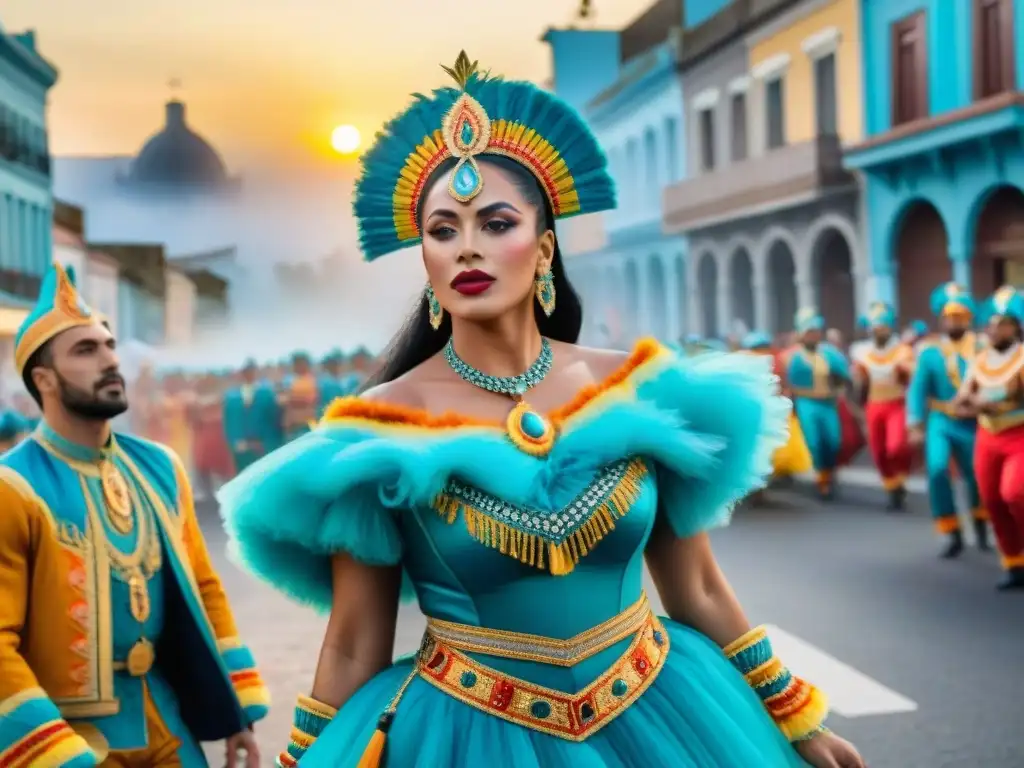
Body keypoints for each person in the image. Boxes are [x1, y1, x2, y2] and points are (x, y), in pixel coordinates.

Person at [220, 52, 864, 768]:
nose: (467, 246)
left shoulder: (637, 388)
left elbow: (701, 588)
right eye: (442, 230)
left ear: (545, 245)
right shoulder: (379, 430)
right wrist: (304, 759)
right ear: (425, 260)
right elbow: (350, 643)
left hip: (664, 711)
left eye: (496, 223)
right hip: (465, 732)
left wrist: (795, 719)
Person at [0, 264, 269, 766]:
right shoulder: (13, 487)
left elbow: (204, 588)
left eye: (109, 345)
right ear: (44, 380)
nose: (109, 360)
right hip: (67, 741)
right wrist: (53, 754)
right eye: (85, 350)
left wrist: (236, 713)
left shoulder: (160, 469)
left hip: (166, 721)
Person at [906, 283, 988, 558]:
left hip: (974, 422)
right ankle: (952, 530)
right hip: (941, 419)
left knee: (976, 475)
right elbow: (918, 389)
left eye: (959, 316)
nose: (953, 321)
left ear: (968, 318)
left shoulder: (982, 349)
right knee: (938, 469)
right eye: (948, 316)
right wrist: (915, 422)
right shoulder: (930, 352)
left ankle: (980, 524)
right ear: (941, 319)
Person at [955, 286, 1024, 591]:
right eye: (992, 323)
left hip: (1018, 435)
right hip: (987, 436)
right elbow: (959, 401)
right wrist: (976, 403)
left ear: (1016, 326)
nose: (995, 329)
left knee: (1015, 494)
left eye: (1003, 323)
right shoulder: (979, 360)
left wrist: (992, 399)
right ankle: (1013, 561)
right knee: (993, 500)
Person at [850, 302, 913, 511]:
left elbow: (911, 378)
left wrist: (905, 371)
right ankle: (892, 488)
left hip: (896, 403)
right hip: (874, 405)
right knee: (877, 451)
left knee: (896, 447)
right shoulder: (862, 352)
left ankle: (901, 478)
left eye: (884, 326)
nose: (879, 330)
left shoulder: (903, 351)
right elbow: (860, 383)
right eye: (876, 326)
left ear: (891, 327)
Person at [784, 309, 853, 500]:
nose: (812, 335)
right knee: (814, 441)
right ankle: (822, 480)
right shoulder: (792, 356)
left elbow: (845, 376)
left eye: (815, 331)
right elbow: (785, 381)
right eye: (808, 332)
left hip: (828, 402)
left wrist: (844, 384)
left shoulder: (830, 353)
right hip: (806, 402)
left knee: (833, 440)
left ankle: (829, 472)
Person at [740, 331, 812, 492]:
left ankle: (765, 484)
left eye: (764, 348)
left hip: (773, 414)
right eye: (758, 348)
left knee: (773, 451)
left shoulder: (777, 362)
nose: (761, 351)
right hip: (752, 416)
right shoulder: (743, 364)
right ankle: (757, 489)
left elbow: (785, 385)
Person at [223, 359, 283, 473]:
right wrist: (234, 442)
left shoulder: (266, 393)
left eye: (251, 371)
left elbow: (273, 420)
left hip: (260, 445)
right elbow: (229, 421)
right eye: (246, 371)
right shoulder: (232, 397)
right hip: (241, 445)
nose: (248, 374)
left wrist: (267, 443)